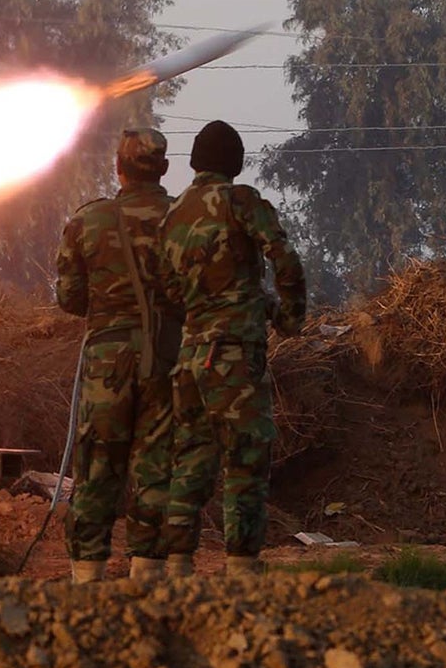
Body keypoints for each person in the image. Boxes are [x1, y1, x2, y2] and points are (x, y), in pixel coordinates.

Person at [159, 119, 308, 578]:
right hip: (235, 359)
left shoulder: (174, 215)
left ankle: (176, 565)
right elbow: (283, 257)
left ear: (194, 162)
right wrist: (288, 316)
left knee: (191, 461)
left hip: (190, 361)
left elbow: (168, 288)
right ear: (236, 164)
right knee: (244, 460)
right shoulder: (240, 201)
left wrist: (205, 313)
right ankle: (241, 567)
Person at [52, 127, 185, 582]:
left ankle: (87, 578)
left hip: (107, 363)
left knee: (97, 467)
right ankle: (148, 575)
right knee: (156, 468)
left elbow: (70, 299)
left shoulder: (89, 221)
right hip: (167, 359)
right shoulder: (184, 219)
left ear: (119, 168)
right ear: (164, 168)